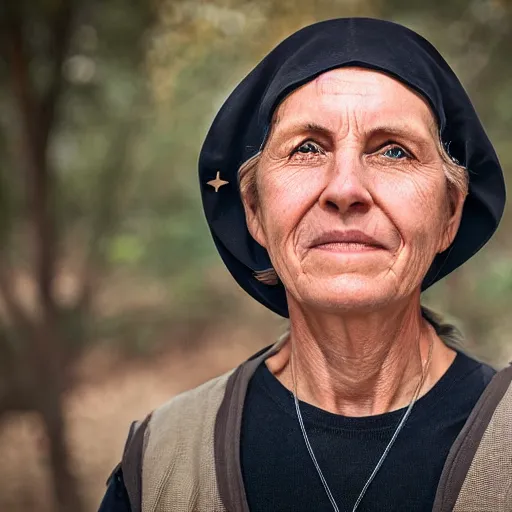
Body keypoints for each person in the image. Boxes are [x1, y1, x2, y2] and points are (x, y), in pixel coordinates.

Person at [98, 18, 511, 512]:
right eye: (307, 149)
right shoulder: (161, 461)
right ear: (254, 210)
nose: (345, 189)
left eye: (394, 151)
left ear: (449, 213)